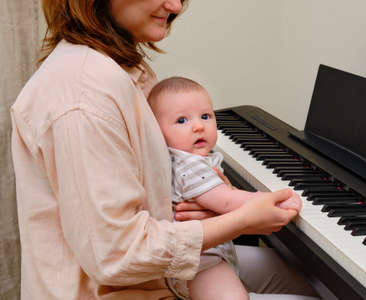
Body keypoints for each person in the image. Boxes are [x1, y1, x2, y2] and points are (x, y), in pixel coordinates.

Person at [10, 0, 320, 299]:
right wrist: (241, 220)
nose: (175, 7)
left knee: (304, 277)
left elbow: (158, 173)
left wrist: (210, 199)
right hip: (123, 289)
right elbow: (116, 255)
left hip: (158, 271)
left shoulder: (121, 67)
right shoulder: (84, 96)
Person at [147, 76, 303, 300]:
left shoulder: (186, 158)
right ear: (158, 133)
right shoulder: (187, 165)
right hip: (200, 264)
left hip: (211, 253)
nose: (199, 126)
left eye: (205, 116)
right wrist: (272, 199)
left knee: (291, 272)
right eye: (181, 120)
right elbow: (227, 200)